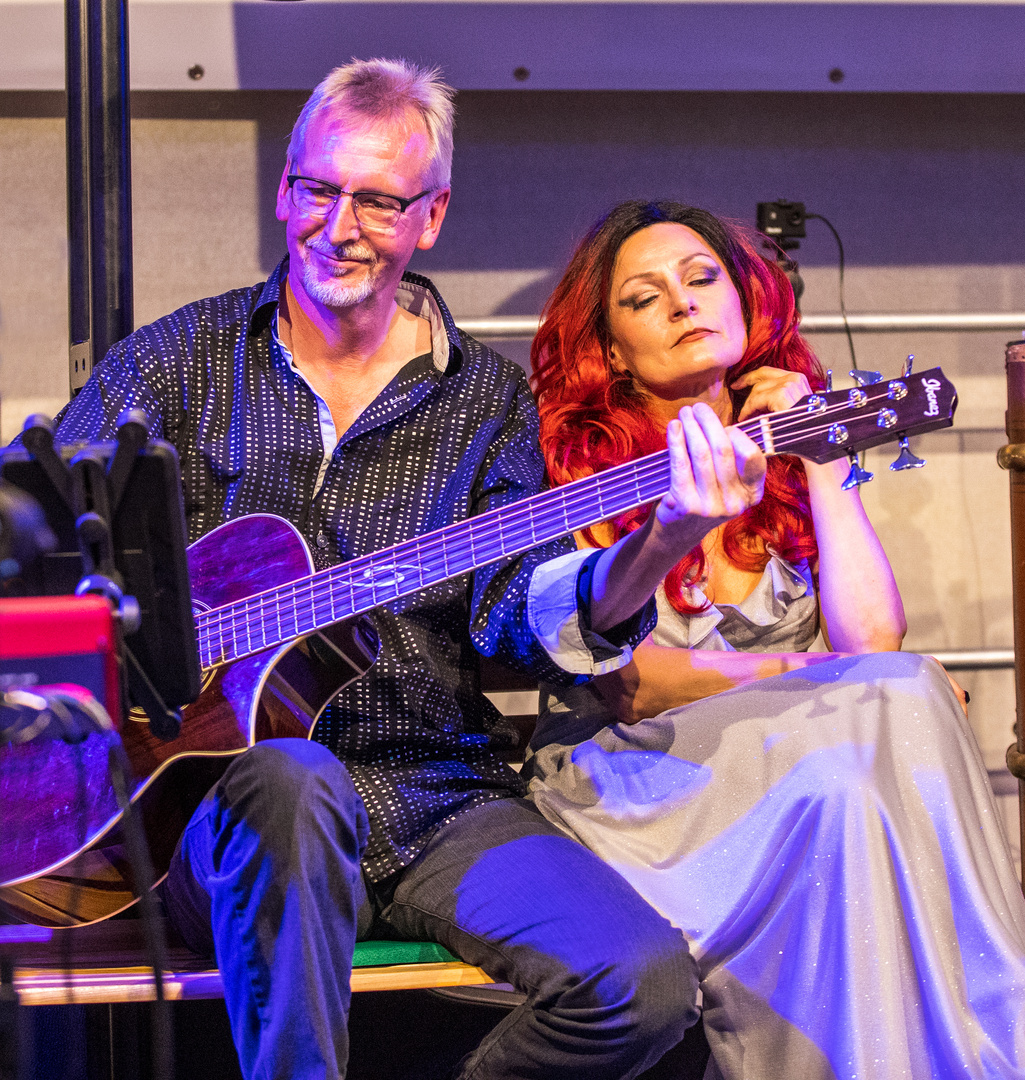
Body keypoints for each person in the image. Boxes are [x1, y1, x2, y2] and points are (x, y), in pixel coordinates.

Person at [49, 64, 778, 1080]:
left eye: (378, 201)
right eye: (317, 190)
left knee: (640, 984)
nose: (339, 226)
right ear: (284, 193)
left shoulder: (482, 399)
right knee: (293, 778)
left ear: (428, 217)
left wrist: (661, 538)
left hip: (431, 793)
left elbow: (519, 621)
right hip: (211, 811)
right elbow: (43, 570)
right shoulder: (169, 368)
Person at [526, 200, 1025, 1080]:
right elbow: (640, 685)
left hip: (800, 770)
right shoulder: (576, 470)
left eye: (701, 280)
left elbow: (875, 636)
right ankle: (1018, 1056)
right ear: (611, 349)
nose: (684, 304)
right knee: (860, 747)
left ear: (743, 300)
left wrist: (821, 455)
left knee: (868, 742)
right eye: (645, 298)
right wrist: (830, 676)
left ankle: (997, 1040)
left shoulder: (791, 455)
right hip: (642, 781)